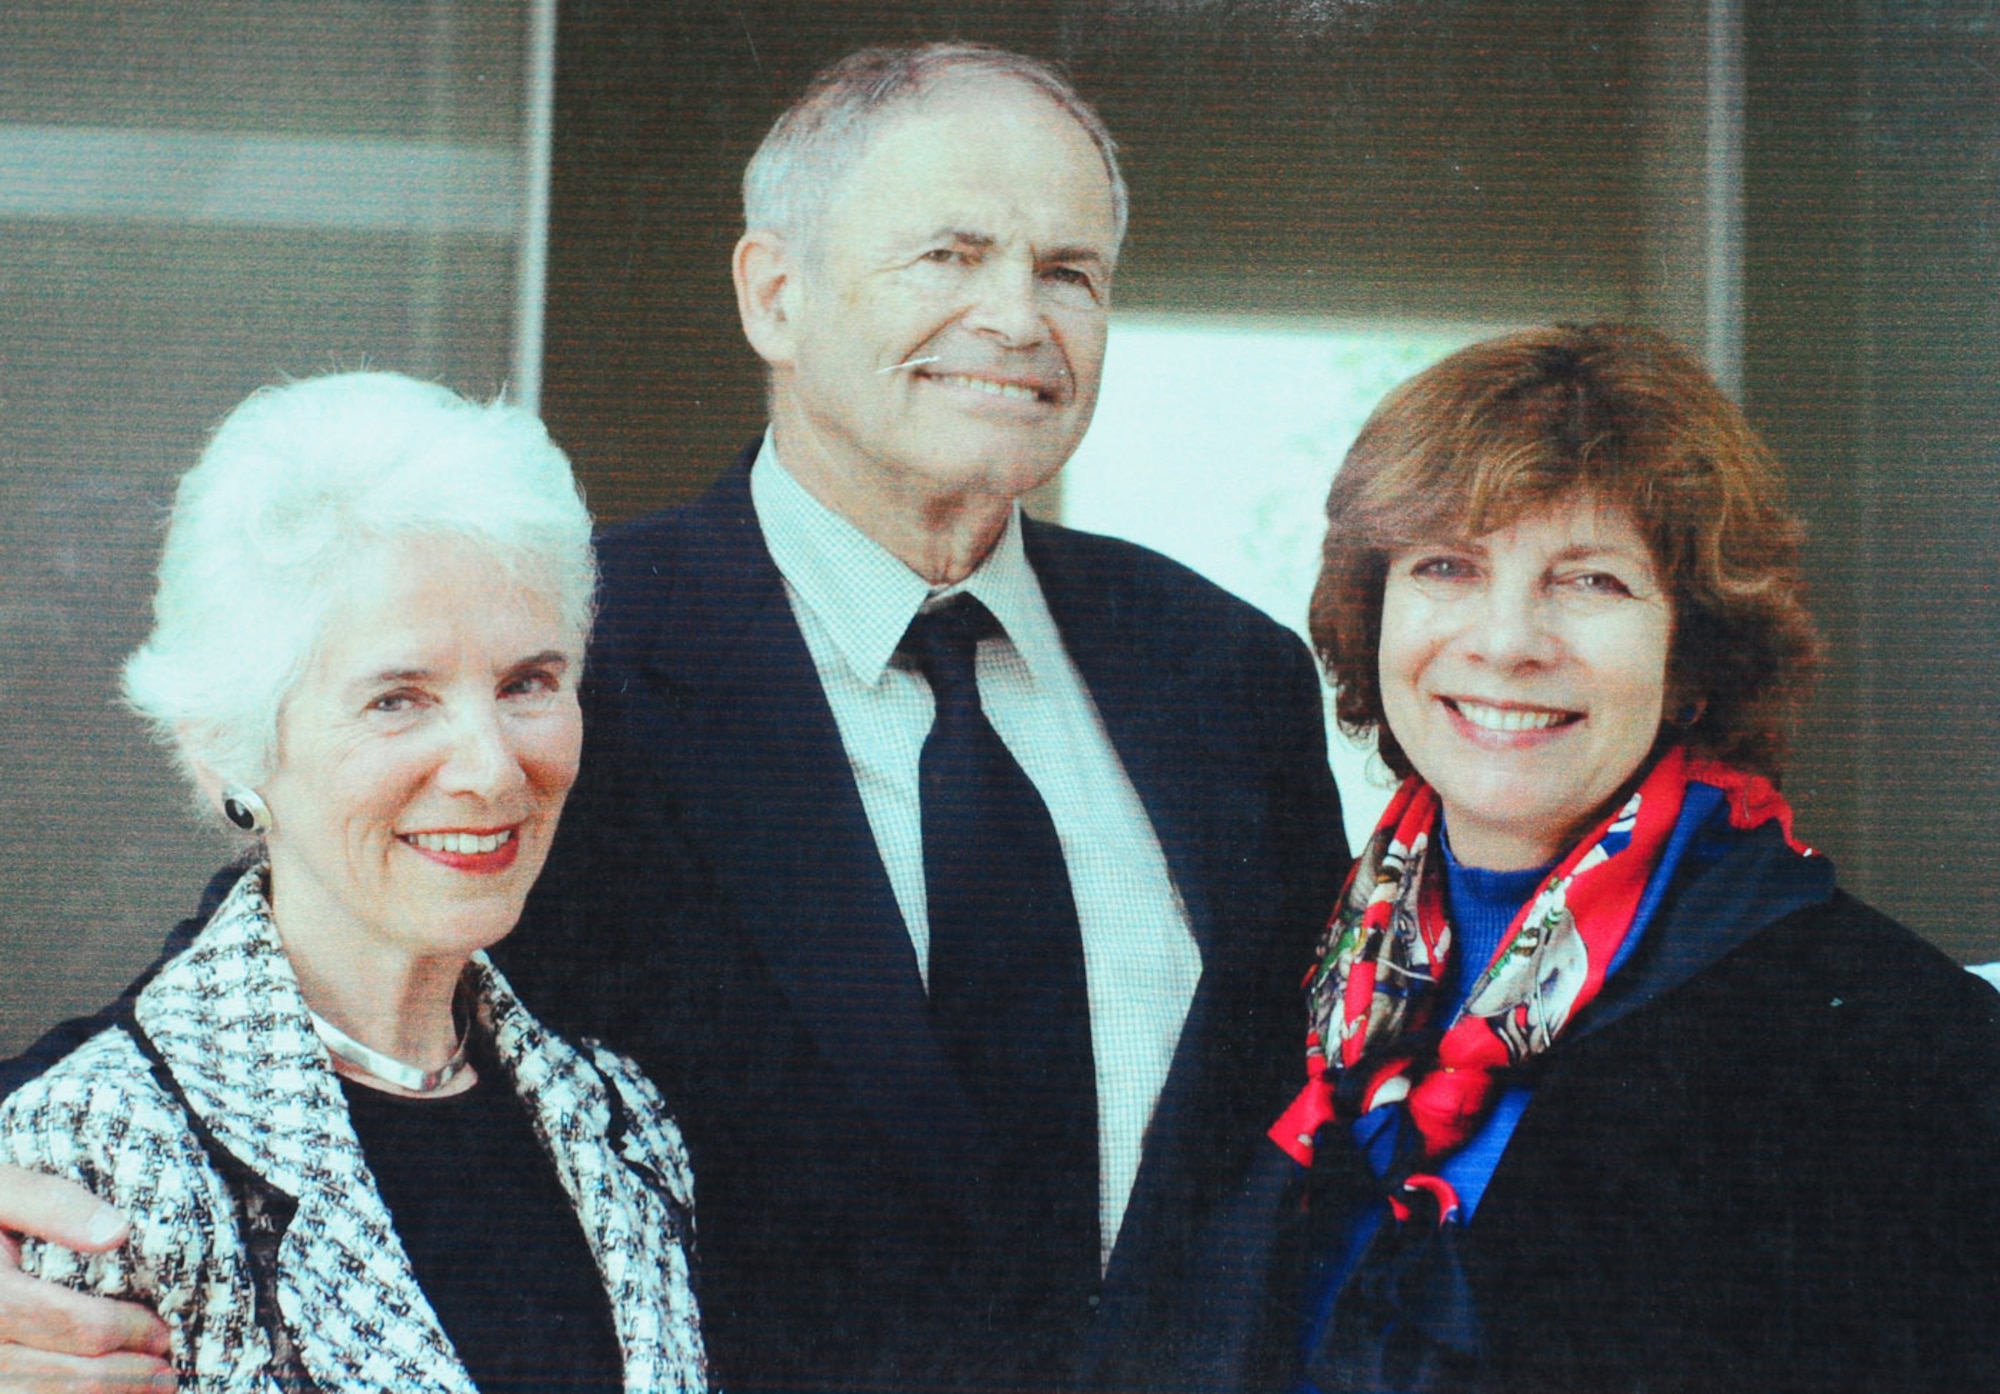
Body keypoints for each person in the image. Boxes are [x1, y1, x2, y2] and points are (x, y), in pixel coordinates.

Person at [0, 45, 1344, 1394]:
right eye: (947, 254)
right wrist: (28, 1181)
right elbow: (285, 954)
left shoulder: (1223, 676)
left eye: (1069, 270)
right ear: (774, 293)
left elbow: (1318, 1107)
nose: (1015, 314)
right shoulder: (561, 657)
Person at [1257, 323, 2000, 1391]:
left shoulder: (1894, 1042)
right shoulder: (1297, 976)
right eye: (1446, 566)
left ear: (1692, 645)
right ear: (1374, 615)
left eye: (1590, 580)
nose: (1506, 639)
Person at [0, 374, 707, 1393]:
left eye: (527, 683)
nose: (492, 766)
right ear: (226, 744)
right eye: (397, 697)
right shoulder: (92, 1155)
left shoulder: (623, 1122)